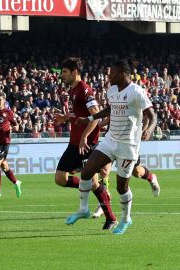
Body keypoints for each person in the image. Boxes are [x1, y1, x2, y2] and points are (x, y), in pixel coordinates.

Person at [73, 60, 157, 234]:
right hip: (110, 140)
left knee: (121, 187)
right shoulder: (111, 90)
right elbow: (109, 110)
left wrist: (148, 129)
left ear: (122, 74)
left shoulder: (137, 92)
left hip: (128, 145)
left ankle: (126, 219)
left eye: (111, 73)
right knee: (87, 171)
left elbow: (152, 116)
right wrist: (89, 119)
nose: (108, 76)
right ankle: (83, 209)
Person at [53, 57, 116, 229]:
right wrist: (66, 117)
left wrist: (84, 137)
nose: (62, 75)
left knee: (94, 182)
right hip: (74, 143)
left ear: (75, 72)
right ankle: (90, 191)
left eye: (65, 72)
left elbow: (96, 116)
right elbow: (80, 115)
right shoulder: (73, 91)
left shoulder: (84, 90)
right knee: (60, 178)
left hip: (86, 144)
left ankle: (111, 218)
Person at [91, 117, 161, 218]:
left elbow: (147, 116)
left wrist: (144, 130)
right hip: (112, 139)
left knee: (136, 172)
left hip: (129, 141)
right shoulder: (115, 102)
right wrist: (96, 125)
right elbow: (111, 115)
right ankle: (103, 203)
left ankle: (151, 177)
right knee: (104, 171)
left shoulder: (137, 101)